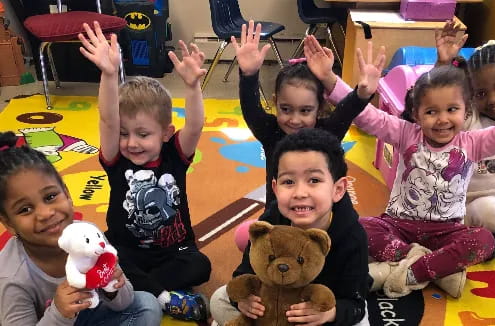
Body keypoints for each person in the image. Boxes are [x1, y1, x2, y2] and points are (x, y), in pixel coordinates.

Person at [338, 44, 495, 298]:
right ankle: (436, 268)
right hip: (400, 227)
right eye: (431, 112)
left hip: (447, 231)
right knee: (359, 227)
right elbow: (367, 118)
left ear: (466, 111)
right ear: (417, 114)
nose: (442, 119)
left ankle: (410, 272)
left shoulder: (473, 143)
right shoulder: (406, 134)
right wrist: (330, 79)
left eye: (451, 110)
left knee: (484, 241)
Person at [77, 21, 211, 320]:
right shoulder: (116, 159)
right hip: (127, 248)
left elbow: (196, 125)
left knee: (200, 265)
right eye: (125, 134)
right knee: (99, 253)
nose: (131, 143)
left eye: (143, 134)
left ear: (166, 133)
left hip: (175, 250)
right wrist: (109, 75)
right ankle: (164, 297)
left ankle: (135, 289)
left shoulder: (175, 156)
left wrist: (192, 87)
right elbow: (109, 120)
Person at [210, 128, 371, 326]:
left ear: (337, 190)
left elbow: (354, 302)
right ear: (276, 189)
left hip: (313, 315)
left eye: (314, 180)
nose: (300, 192)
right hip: (272, 305)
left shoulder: (352, 236)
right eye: (289, 181)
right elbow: (244, 272)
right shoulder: (271, 219)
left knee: (361, 321)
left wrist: (329, 314)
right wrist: (243, 300)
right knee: (219, 298)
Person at [0, 131, 162, 326]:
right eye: (25, 209)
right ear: (8, 223)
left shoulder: (89, 235)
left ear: (67, 194)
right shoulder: (12, 278)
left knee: (147, 305)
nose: (45, 213)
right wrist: (59, 313)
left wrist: (113, 288)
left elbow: (124, 303)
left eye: (50, 197)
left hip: (89, 314)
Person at [231, 20, 384, 206]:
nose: (294, 120)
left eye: (305, 111)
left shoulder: (327, 134)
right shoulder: (270, 131)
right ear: (275, 103)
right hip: (279, 220)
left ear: (319, 108)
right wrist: (248, 76)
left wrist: (362, 93)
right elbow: (251, 110)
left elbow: (347, 111)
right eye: (286, 109)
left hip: (319, 220)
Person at [434, 23, 495, 256]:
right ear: (470, 94)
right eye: (481, 93)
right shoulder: (468, 117)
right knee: (488, 212)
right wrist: (443, 64)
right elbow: (436, 104)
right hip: (476, 206)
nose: (492, 99)